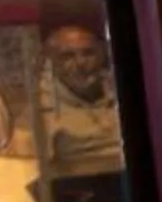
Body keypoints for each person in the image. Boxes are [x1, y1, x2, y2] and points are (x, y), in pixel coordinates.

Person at [42, 21, 122, 178]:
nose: (80, 63)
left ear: (102, 55)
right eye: (67, 56)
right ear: (51, 62)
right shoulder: (42, 107)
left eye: (88, 53)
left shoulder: (120, 88)